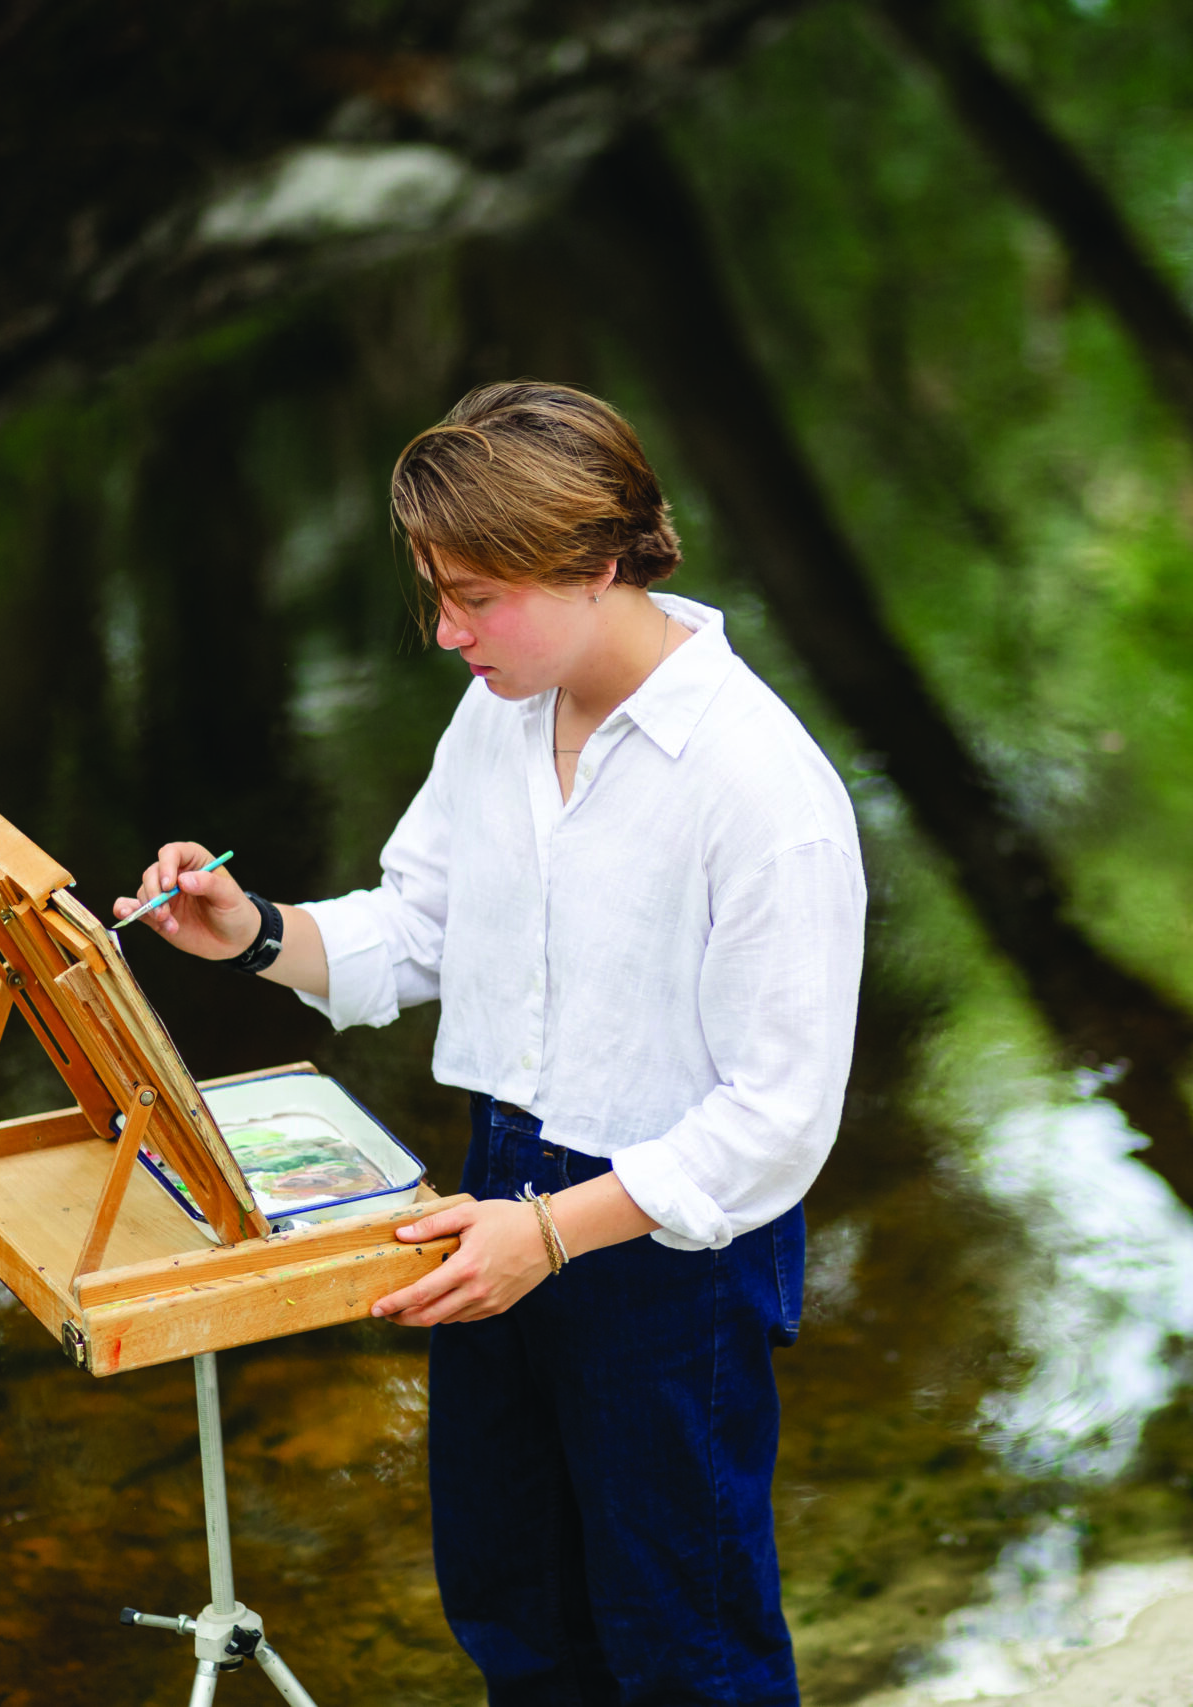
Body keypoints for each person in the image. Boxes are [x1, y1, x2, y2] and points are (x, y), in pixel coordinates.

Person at [112, 380, 865, 1706]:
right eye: (433, 593)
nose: (448, 632)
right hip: (493, 1190)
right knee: (515, 1615)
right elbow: (420, 925)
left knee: (688, 1647)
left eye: (476, 595)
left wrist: (558, 1230)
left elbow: (781, 1119)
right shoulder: (503, 709)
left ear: (598, 560)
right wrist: (252, 931)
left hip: (669, 1256)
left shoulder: (761, 785)